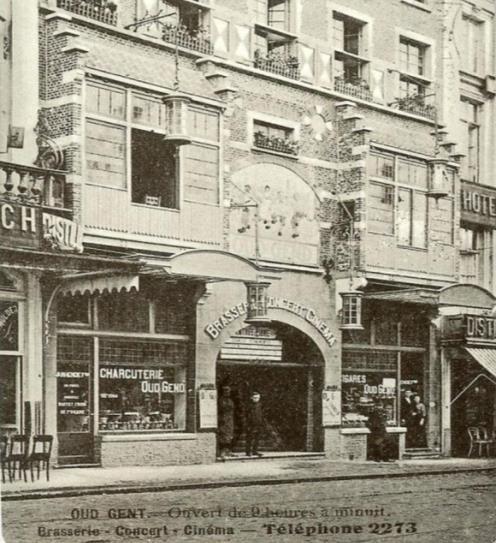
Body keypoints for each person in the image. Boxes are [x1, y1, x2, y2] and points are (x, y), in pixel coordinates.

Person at [245, 391, 264, 457]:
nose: (256, 399)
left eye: (258, 398)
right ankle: (248, 451)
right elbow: (246, 415)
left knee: (257, 438)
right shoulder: (249, 405)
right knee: (250, 438)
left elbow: (261, 414)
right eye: (255, 398)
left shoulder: (260, 405)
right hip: (250, 424)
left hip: (258, 424)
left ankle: (255, 451)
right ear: (251, 398)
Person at [217, 385, 235, 458]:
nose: (228, 392)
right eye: (226, 391)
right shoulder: (221, 400)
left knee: (229, 435)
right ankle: (222, 451)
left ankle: (228, 450)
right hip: (223, 420)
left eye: (228, 391)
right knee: (223, 436)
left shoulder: (230, 400)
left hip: (229, 420)